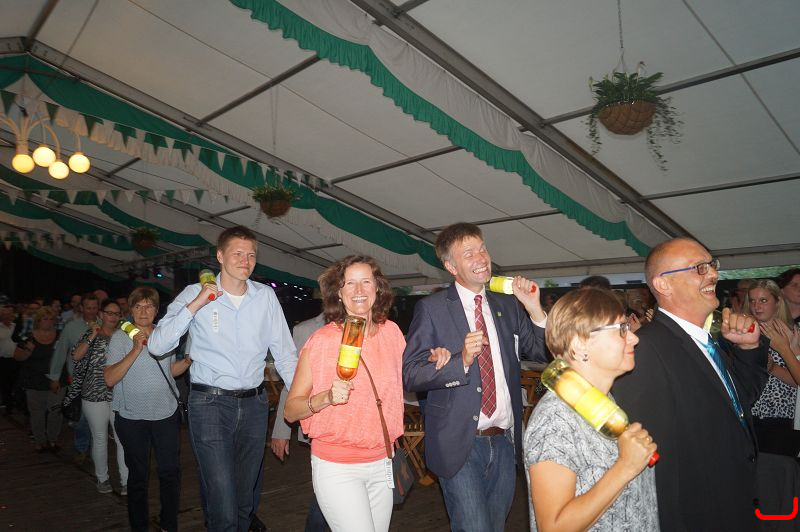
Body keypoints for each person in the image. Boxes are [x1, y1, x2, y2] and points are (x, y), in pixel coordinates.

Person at [613, 237, 768, 531]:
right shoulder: (645, 350)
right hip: (702, 514)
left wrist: (749, 349)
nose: (713, 274)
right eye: (699, 268)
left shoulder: (704, 341)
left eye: (711, 265)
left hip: (733, 501)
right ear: (663, 284)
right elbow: (655, 463)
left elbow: (738, 404)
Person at [148, 225, 297, 531]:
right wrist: (197, 304)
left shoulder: (265, 297)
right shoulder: (194, 294)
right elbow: (157, 346)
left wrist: (303, 400)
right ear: (220, 256)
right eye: (237, 253)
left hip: (255, 405)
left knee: (244, 502)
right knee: (223, 501)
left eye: (251, 255)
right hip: (210, 405)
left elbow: (285, 355)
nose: (245, 260)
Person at [402, 222, 548, 532]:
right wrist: (462, 361)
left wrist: (534, 309)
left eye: (482, 249)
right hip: (459, 443)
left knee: (495, 526)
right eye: (469, 254)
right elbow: (411, 375)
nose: (481, 258)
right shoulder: (432, 309)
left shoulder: (507, 305)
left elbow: (541, 352)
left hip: (504, 440)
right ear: (451, 266)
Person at [285, 255, 413, 532]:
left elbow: (412, 378)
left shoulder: (392, 334)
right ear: (339, 293)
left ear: (377, 288)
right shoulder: (322, 341)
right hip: (338, 466)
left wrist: (441, 358)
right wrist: (327, 397)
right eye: (349, 283)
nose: (359, 290)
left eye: (366, 281)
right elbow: (291, 410)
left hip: (383, 461)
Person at [525, 288, 658, 531]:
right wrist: (626, 467)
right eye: (621, 329)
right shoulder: (555, 420)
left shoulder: (598, 399)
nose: (634, 338)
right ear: (579, 344)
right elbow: (553, 527)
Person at [105, 287, 192, 532]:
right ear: (131, 310)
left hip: (165, 414)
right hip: (132, 418)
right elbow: (110, 378)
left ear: (156, 310)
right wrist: (135, 349)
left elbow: (168, 371)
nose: (144, 311)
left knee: (170, 472)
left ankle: (168, 524)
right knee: (138, 476)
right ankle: (139, 526)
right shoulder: (120, 338)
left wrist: (186, 361)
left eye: (149, 306)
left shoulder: (165, 335)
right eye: (138, 306)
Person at [66, 299, 129, 494]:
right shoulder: (91, 333)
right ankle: (102, 479)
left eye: (116, 313)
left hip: (118, 392)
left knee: (122, 438)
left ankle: (127, 481)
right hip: (94, 393)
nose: (113, 317)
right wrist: (93, 334)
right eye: (109, 313)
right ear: (101, 314)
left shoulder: (124, 335)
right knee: (100, 437)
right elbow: (76, 356)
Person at [743, 280, 800, 457]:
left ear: (777, 302)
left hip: (781, 418)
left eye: (763, 300)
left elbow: (797, 381)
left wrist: (773, 367)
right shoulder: (744, 333)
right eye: (752, 301)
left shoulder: (792, 333)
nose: (756, 306)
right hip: (750, 416)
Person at [49, 292, 99, 462]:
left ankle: (96, 451)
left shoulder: (105, 325)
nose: (92, 311)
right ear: (81, 308)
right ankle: (82, 448)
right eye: (88, 308)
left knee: (98, 420)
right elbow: (60, 352)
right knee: (80, 419)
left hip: (100, 381)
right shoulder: (71, 327)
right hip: (78, 381)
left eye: (94, 307)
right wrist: (55, 376)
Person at [14, 306, 63, 452]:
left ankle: (53, 439)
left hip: (56, 380)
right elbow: (17, 357)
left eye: (51, 319)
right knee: (37, 413)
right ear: (38, 321)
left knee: (55, 411)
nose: (48, 322)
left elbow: (65, 356)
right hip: (34, 380)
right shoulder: (28, 337)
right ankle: (40, 441)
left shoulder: (60, 335)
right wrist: (28, 350)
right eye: (44, 319)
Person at [0, 303, 18, 414]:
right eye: (4, 314)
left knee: (16, 382)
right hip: (3, 360)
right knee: (5, 383)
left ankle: (17, 402)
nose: (7, 316)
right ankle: (8, 405)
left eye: (9, 314)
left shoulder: (16, 326)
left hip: (16, 359)